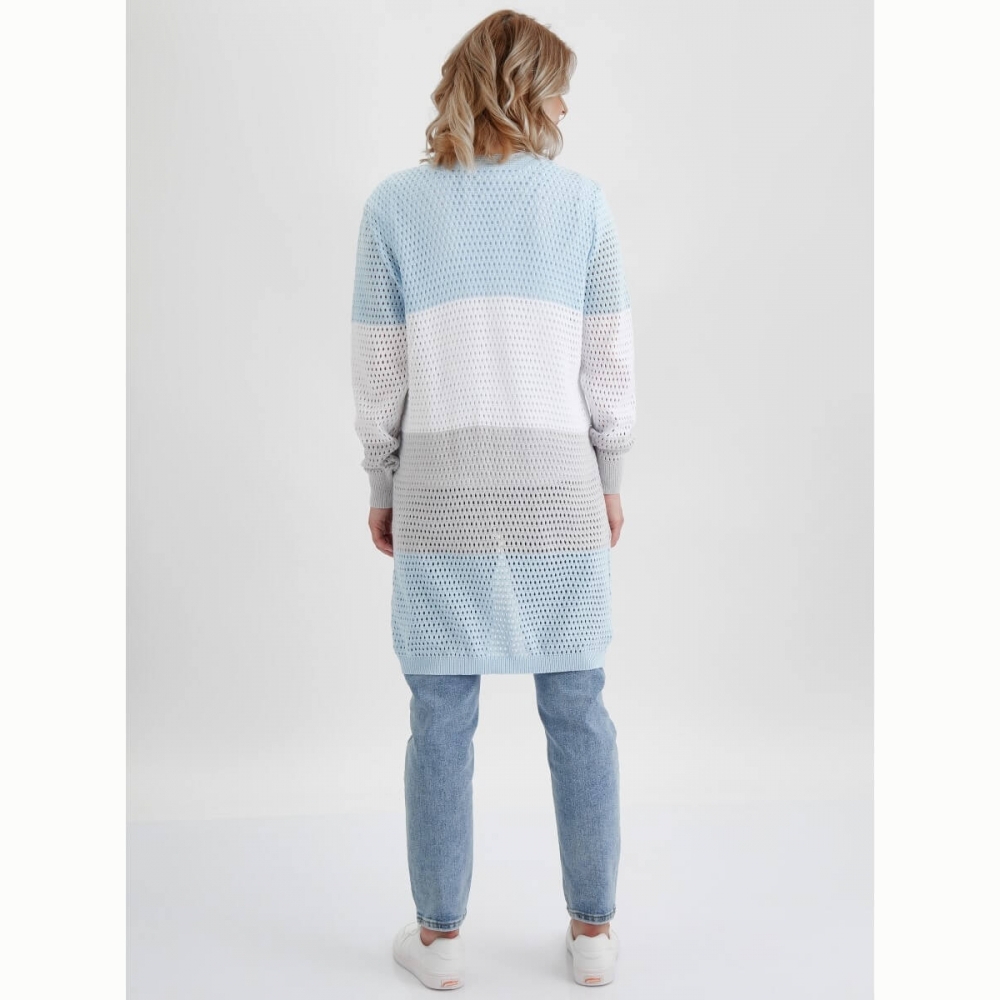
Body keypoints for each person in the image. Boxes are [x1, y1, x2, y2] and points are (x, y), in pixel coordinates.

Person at [350, 9, 636, 990]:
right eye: (558, 88)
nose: (567, 108)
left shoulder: (395, 207)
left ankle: (439, 944)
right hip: (559, 493)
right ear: (524, 92)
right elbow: (607, 360)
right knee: (579, 706)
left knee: (440, 714)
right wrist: (609, 476)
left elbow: (379, 369)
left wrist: (383, 478)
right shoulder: (583, 205)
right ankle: (593, 933)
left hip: (442, 491)